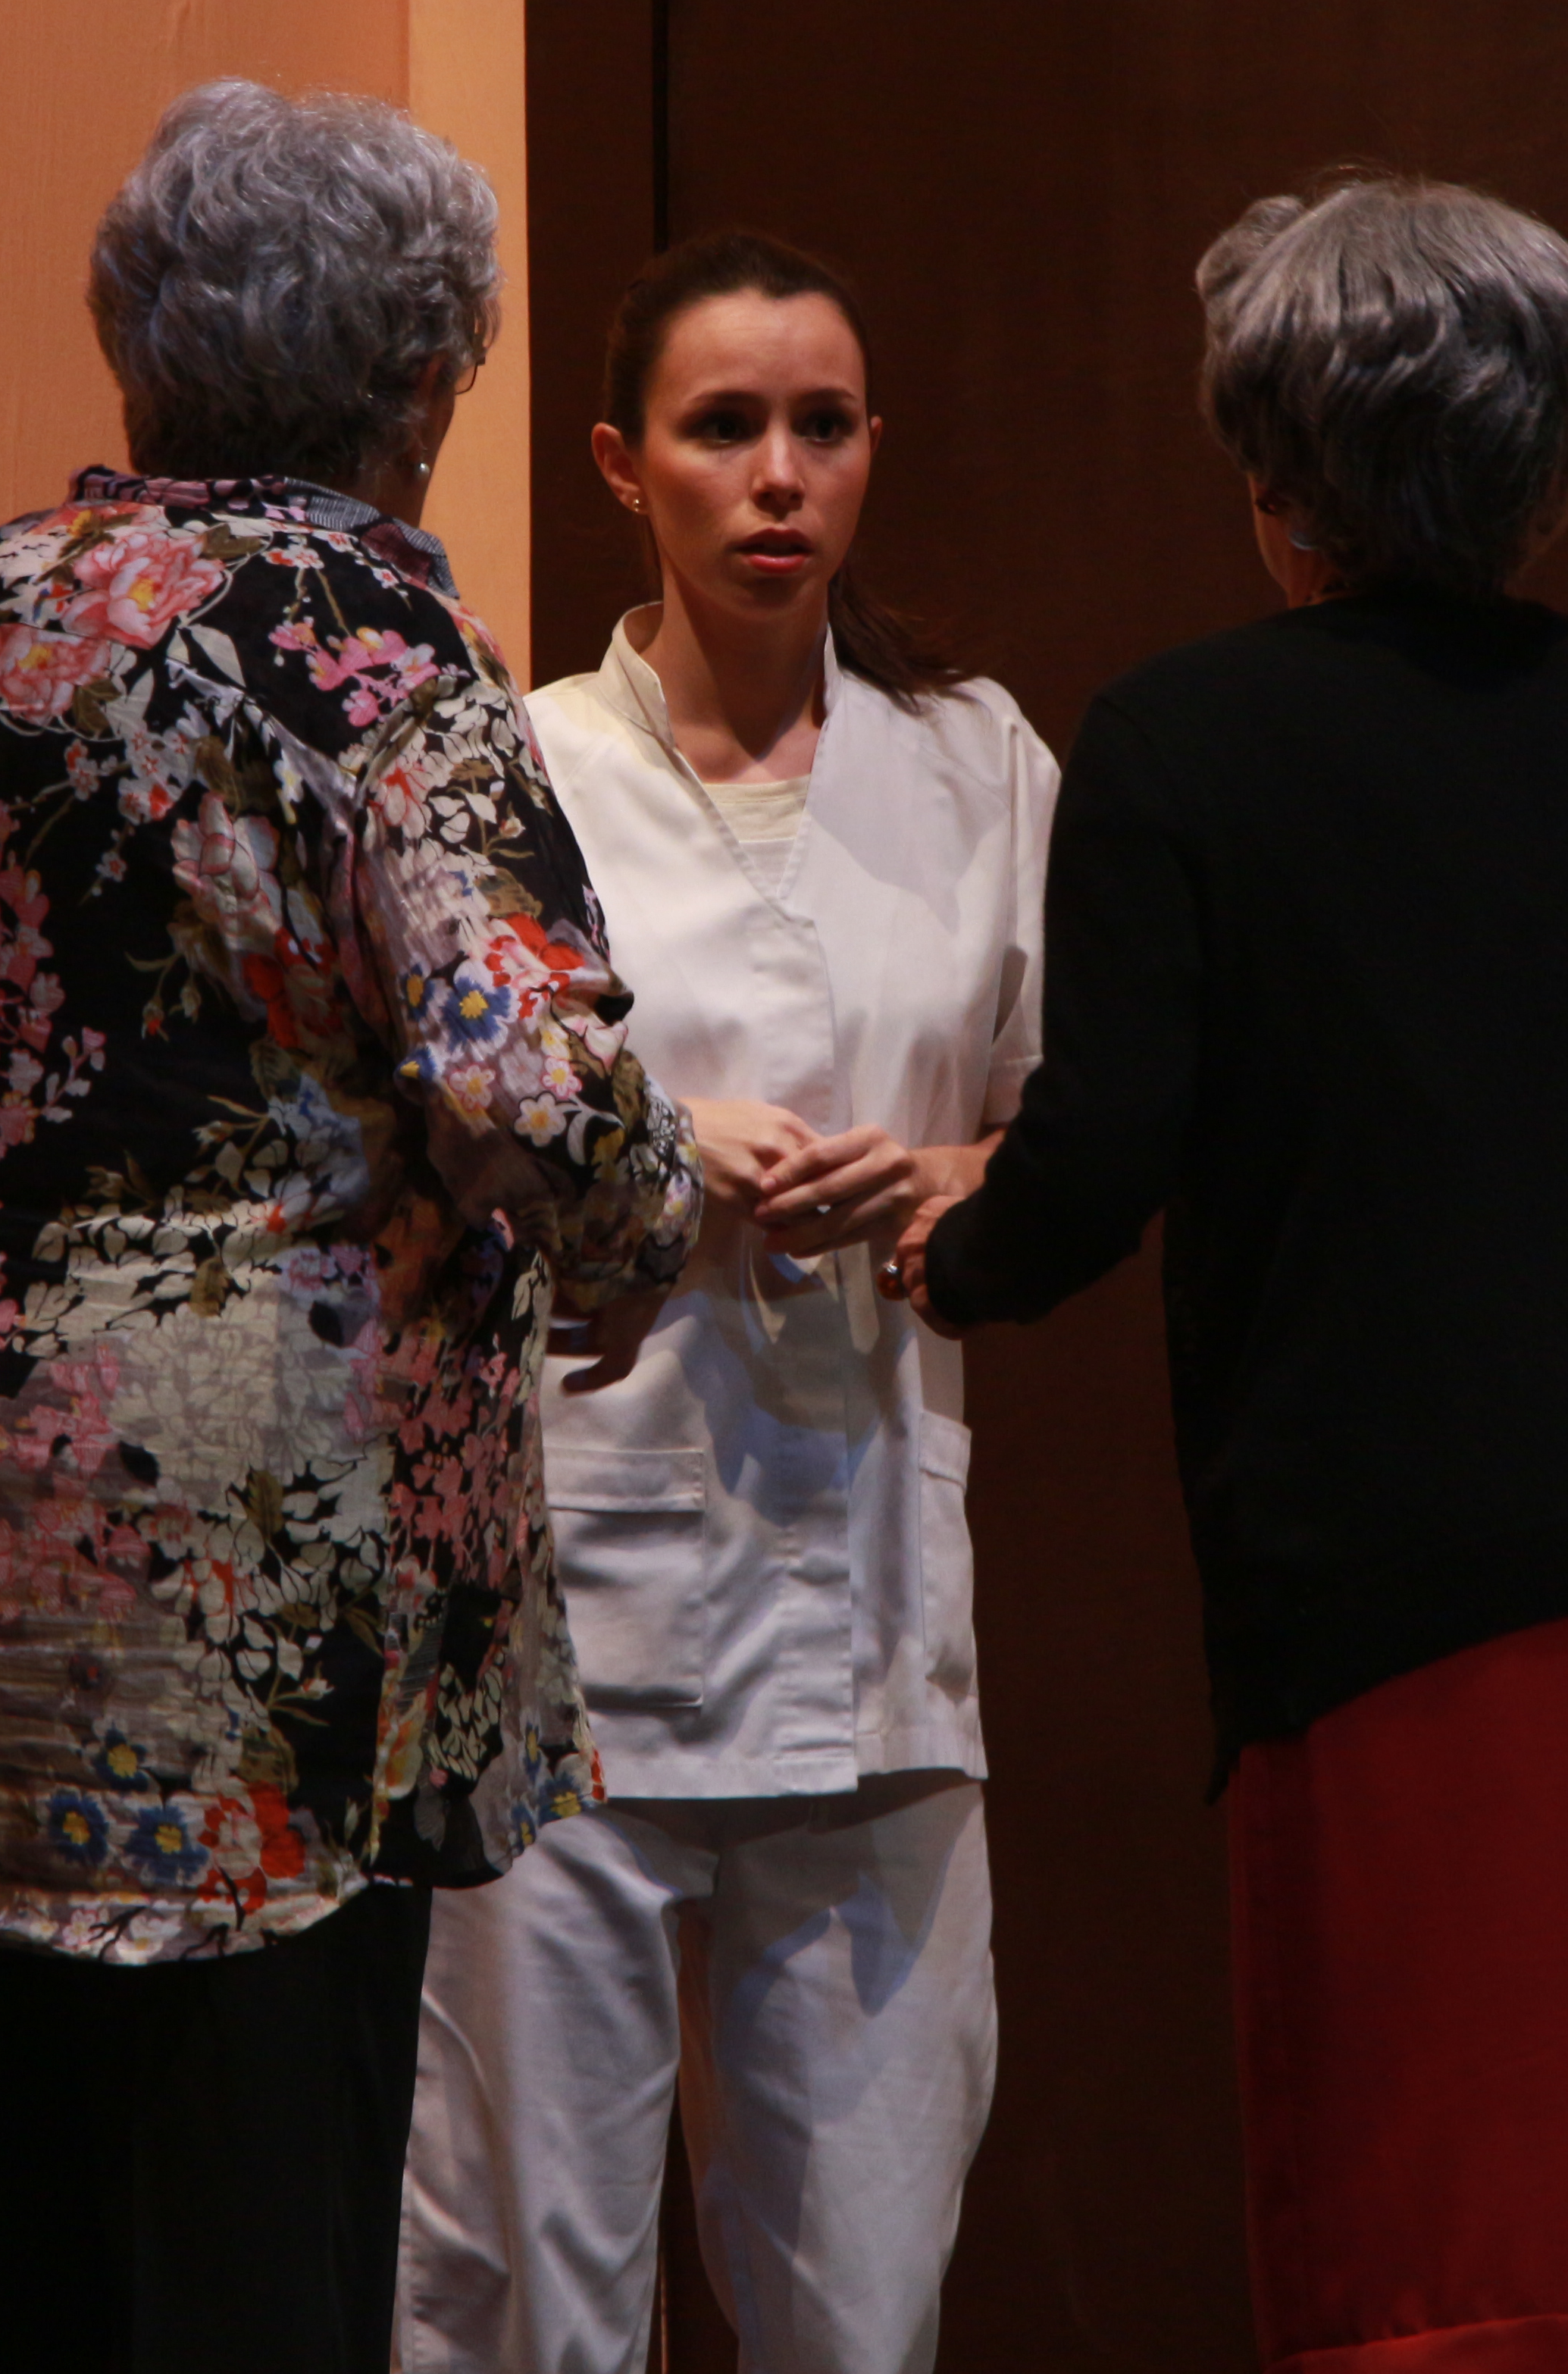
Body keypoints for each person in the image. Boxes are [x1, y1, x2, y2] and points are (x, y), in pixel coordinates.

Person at [0, 78, 698, 2374]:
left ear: (139, 355)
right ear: (427, 385)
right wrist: (639, 1233)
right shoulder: (376, 651)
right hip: (228, 1583)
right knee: (244, 2272)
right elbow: (547, 1105)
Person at [896, 171, 1568, 2374]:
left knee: (1446, 2266)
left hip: (1414, 1583)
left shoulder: (1184, 739)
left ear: (1280, 471)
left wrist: (952, 1248)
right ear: (1551, 452)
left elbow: (1101, 1154)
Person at [399, 233, 1054, 2374]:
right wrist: (658, 1160)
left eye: (821, 427)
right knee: (537, 2295)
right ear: (623, 463)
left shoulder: (978, 767)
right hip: (578, 1595)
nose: (780, 475)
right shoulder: (516, 769)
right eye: (725, 428)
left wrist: (944, 1177)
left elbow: (1065, 1126)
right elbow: (421, 1147)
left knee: (863, 2305)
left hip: (872, 1610)